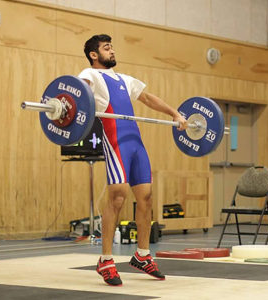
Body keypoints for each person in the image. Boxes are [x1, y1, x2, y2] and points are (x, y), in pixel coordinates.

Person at [78, 34, 187, 286]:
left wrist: (174, 113)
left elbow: (148, 99)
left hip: (135, 142)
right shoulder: (90, 74)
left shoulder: (124, 79)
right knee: (117, 196)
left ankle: (143, 255)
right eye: (107, 48)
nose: (112, 51)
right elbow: (76, 92)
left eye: (112, 47)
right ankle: (106, 260)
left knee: (146, 198)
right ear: (94, 55)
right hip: (115, 140)